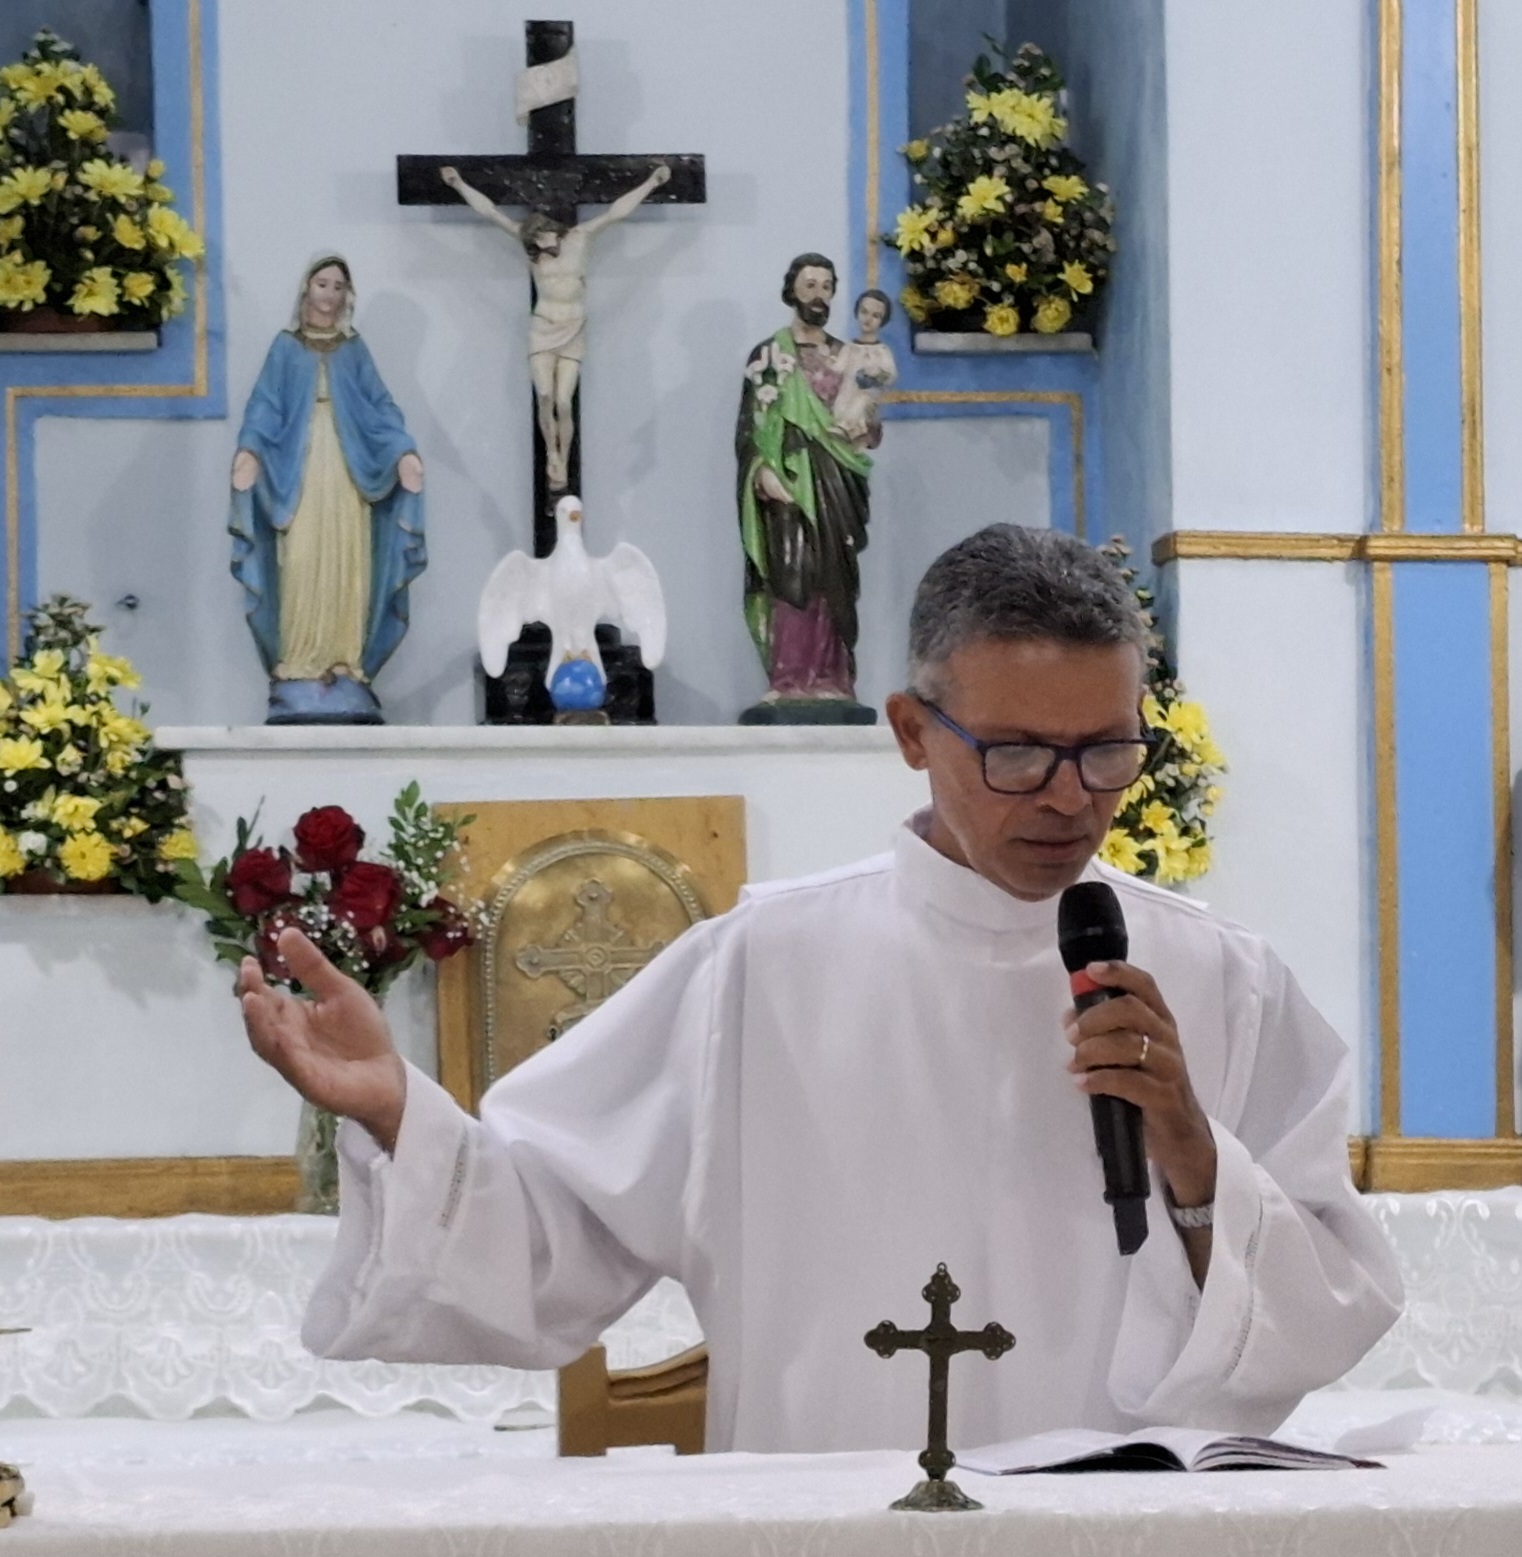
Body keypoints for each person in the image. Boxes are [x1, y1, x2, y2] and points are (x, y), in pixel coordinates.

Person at [239, 525, 1402, 1455]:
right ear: (910, 732)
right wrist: (396, 1109)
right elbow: (550, 1236)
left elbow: (1330, 1303)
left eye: (1106, 752)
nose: (1068, 797)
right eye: (1016, 754)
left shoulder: (1223, 980)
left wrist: (1196, 1161)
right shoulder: (756, 972)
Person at [230, 255, 425, 724]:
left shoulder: (353, 350)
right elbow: (265, 405)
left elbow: (380, 406)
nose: (330, 294)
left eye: (339, 286)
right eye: (323, 284)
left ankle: (345, 660)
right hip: (296, 472)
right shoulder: (285, 347)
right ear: (306, 289)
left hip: (348, 469)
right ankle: (298, 661)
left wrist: (403, 452)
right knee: (300, 560)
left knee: (347, 561)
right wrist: (250, 450)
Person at [438, 163, 672, 491]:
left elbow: (615, 213)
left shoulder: (580, 238)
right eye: (531, 242)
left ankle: (565, 453)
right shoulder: (531, 248)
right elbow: (490, 212)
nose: (536, 246)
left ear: (550, 231)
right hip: (543, 327)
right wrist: (459, 184)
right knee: (545, 395)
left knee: (563, 400)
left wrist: (651, 183)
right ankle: (553, 455)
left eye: (539, 239)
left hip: (573, 327)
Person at [736, 253, 874, 705]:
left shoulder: (849, 356)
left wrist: (866, 429)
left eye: (826, 286)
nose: (819, 295)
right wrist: (761, 471)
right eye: (809, 285)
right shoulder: (769, 356)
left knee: (835, 578)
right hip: (790, 479)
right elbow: (749, 427)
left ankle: (833, 678)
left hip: (837, 479)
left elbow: (868, 422)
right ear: (792, 289)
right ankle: (789, 678)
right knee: (792, 572)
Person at [830, 288, 898, 445]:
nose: (868, 319)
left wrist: (876, 374)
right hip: (848, 391)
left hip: (868, 395)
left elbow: (890, 375)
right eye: (864, 312)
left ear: (882, 320)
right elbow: (838, 368)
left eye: (875, 316)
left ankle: (849, 428)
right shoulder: (849, 348)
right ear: (857, 313)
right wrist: (830, 363)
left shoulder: (881, 351)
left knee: (861, 402)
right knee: (842, 405)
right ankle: (844, 428)